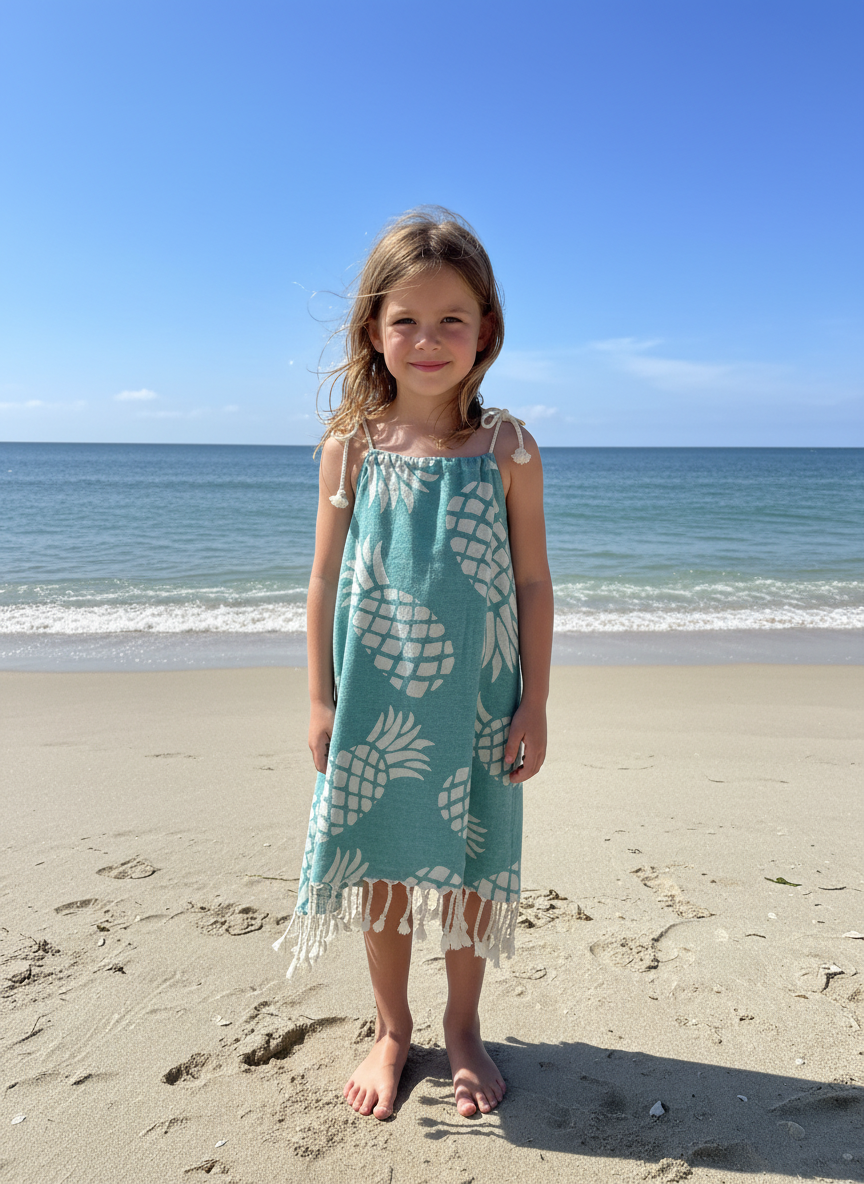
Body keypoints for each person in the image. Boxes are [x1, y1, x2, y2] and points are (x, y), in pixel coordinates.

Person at [273, 207, 554, 1121]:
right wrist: (319, 698)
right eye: (407, 321)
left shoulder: (508, 449)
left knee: (472, 867)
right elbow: (321, 582)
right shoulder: (351, 449)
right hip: (378, 699)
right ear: (373, 331)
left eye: (451, 320)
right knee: (387, 870)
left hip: (480, 698)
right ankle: (392, 1030)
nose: (428, 341)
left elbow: (535, 583)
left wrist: (535, 703)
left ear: (487, 331)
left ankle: (463, 1027)